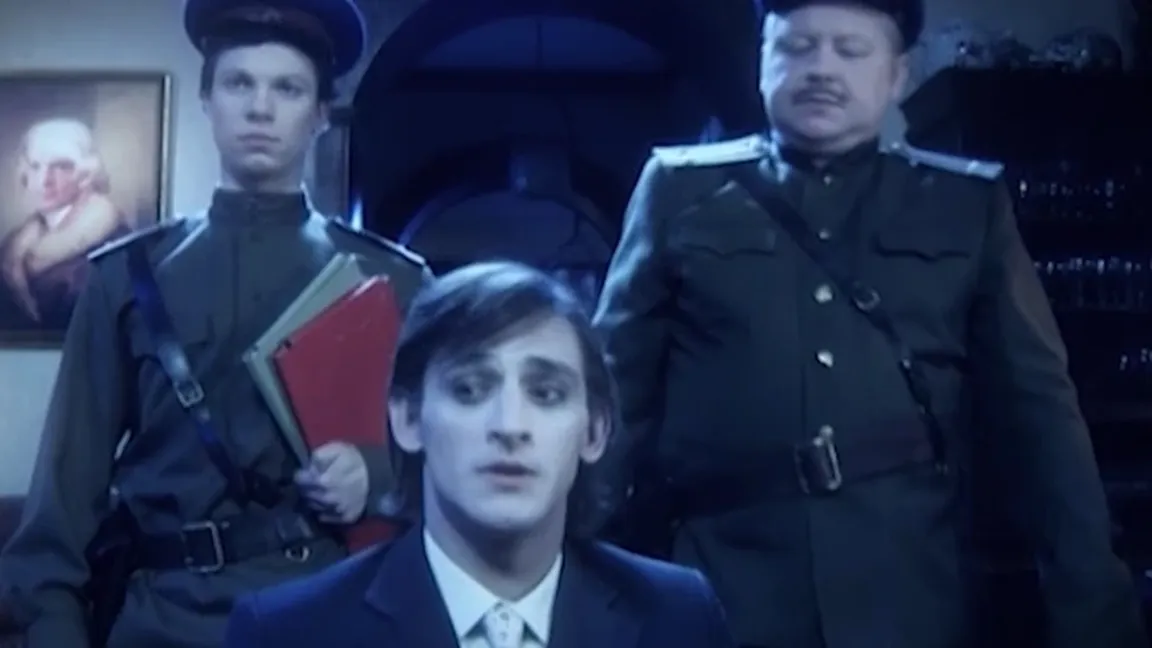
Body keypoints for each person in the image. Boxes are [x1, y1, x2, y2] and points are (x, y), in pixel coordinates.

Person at [592, 1, 1146, 647]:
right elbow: (609, 399)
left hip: (908, 593)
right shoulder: (678, 191)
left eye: (851, 51)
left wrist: (1095, 613)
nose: (821, 69)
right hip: (722, 589)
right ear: (761, 62)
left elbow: (1040, 416)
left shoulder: (964, 206)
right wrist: (571, 569)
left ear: (898, 75)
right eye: (797, 47)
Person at [0, 1, 431, 647]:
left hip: (331, 614)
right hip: (164, 621)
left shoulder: (392, 281)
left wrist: (376, 476)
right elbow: (63, 497)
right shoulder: (127, 276)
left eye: (287, 89)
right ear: (208, 100)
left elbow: (453, 462)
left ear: (320, 114)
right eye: (238, 83)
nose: (260, 108)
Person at [222, 261, 736, 648]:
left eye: (546, 394)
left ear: (595, 431)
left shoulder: (678, 617)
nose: (509, 426)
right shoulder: (288, 633)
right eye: (469, 390)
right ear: (407, 418)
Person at [0, 118, 129, 327]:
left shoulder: (114, 244)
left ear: (86, 175)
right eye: (35, 166)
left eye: (60, 167)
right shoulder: (13, 245)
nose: (44, 180)